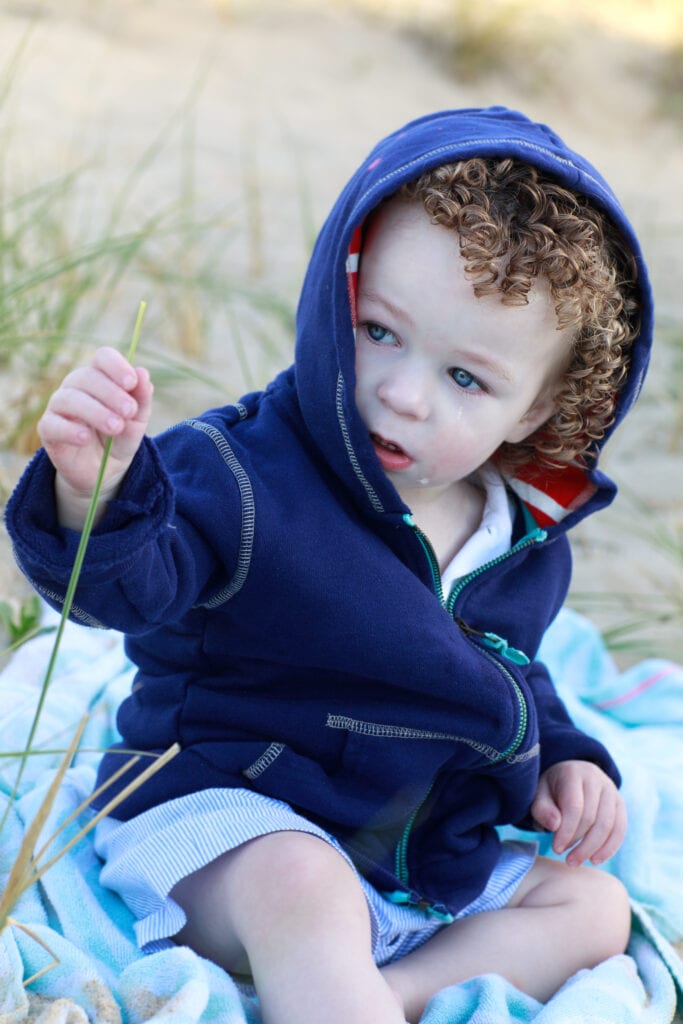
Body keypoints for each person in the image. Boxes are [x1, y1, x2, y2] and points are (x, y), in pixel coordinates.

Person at [5, 106, 653, 1024]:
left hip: (415, 857)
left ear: (533, 413)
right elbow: (124, 589)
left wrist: (566, 761)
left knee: (593, 908)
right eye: (380, 331)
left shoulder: (514, 535)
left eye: (464, 378)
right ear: (336, 297)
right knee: (302, 885)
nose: (400, 389)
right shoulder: (237, 470)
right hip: (228, 821)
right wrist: (94, 496)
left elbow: (507, 671)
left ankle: (386, 994)